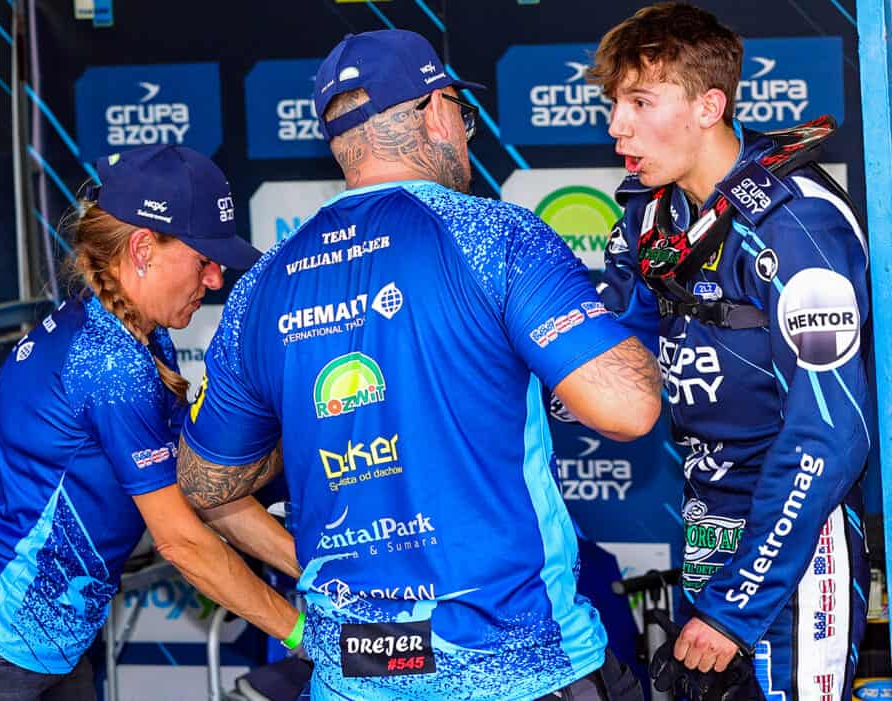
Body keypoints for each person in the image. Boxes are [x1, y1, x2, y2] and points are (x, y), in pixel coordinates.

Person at [176, 29, 661, 701]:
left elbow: (205, 485)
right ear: (435, 111)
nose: (464, 131)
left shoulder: (261, 285)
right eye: (461, 113)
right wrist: (640, 305)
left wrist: (312, 437)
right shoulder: (495, 235)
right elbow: (629, 407)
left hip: (358, 676)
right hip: (516, 673)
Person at [0, 145, 302, 701]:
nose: (214, 278)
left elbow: (202, 492)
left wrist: (316, 577)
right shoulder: (110, 361)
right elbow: (182, 542)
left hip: (47, 645)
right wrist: (304, 633)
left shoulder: (137, 336)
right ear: (142, 249)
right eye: (203, 258)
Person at [589, 3, 872, 699]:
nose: (617, 124)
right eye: (614, 103)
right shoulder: (651, 215)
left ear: (709, 106)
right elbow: (614, 360)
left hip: (798, 547)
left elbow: (831, 431)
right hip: (706, 530)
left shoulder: (796, 221)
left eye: (640, 102)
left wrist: (736, 604)